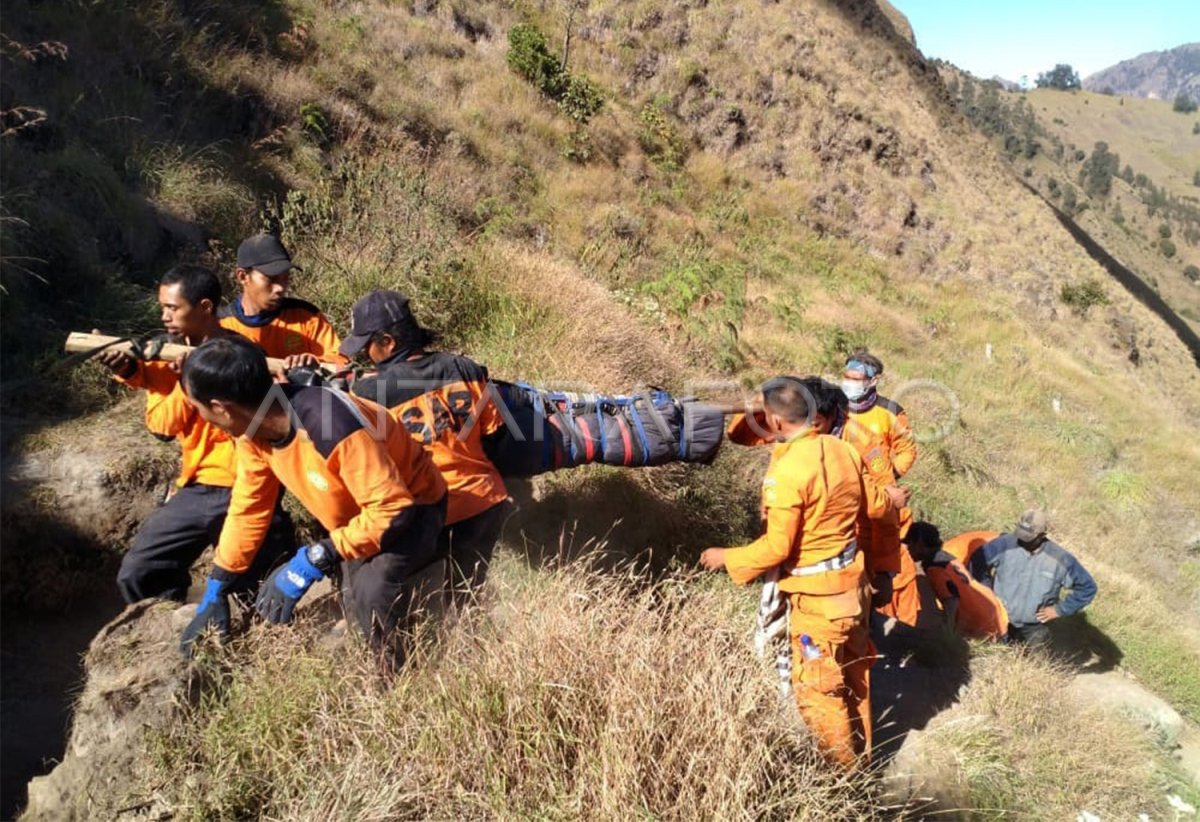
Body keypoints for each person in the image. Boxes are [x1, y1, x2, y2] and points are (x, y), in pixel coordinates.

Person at [177, 336, 448, 669]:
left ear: (221, 407)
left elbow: (394, 510)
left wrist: (313, 558)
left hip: (415, 507)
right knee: (351, 596)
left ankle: (397, 682)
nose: (201, 416)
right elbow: (249, 505)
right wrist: (218, 584)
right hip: (358, 518)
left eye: (197, 407)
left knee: (370, 591)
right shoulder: (252, 431)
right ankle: (373, 646)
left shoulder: (329, 425)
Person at [700, 376, 894, 768]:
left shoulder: (788, 472)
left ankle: (842, 782)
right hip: (854, 591)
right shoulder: (844, 450)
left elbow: (777, 547)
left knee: (819, 691)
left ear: (772, 422)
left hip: (819, 603)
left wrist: (726, 557)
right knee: (854, 680)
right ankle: (864, 758)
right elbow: (878, 506)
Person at [93, 265, 294, 604]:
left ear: (204, 308)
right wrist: (162, 378)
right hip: (197, 488)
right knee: (140, 571)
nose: (165, 316)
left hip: (250, 481)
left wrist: (194, 377)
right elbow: (162, 426)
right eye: (163, 307)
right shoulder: (164, 356)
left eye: (173, 308)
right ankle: (163, 627)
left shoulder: (243, 356)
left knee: (262, 582)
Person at [343, 290, 509, 607]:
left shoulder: (367, 393)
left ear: (388, 342)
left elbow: (370, 466)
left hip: (430, 515)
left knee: (369, 573)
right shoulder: (465, 368)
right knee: (466, 598)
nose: (365, 353)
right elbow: (495, 434)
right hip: (486, 504)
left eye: (367, 345)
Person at [837, 350, 923, 629]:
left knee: (879, 562)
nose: (849, 383)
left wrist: (888, 475)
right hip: (841, 494)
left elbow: (907, 450)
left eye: (856, 378)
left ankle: (875, 619)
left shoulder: (890, 412)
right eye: (846, 377)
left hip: (878, 499)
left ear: (873, 381)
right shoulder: (835, 408)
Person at [971, 509, 1097, 648]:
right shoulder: (1003, 544)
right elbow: (977, 562)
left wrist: (1060, 609)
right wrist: (986, 591)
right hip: (999, 619)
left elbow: (1088, 588)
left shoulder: (1060, 559)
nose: (1022, 541)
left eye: (1028, 538)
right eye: (1020, 534)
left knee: (1036, 664)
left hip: (1034, 627)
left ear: (1042, 535)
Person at [217, 234, 347, 369]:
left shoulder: (307, 317)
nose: (280, 288)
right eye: (271, 279)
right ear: (243, 276)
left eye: (285, 278)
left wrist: (316, 362)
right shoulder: (220, 325)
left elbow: (340, 363)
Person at [905, 522, 1008, 640]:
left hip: (983, 627)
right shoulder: (948, 558)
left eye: (910, 545)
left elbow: (951, 602)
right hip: (997, 614)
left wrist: (947, 634)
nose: (908, 550)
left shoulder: (935, 568)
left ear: (919, 545)